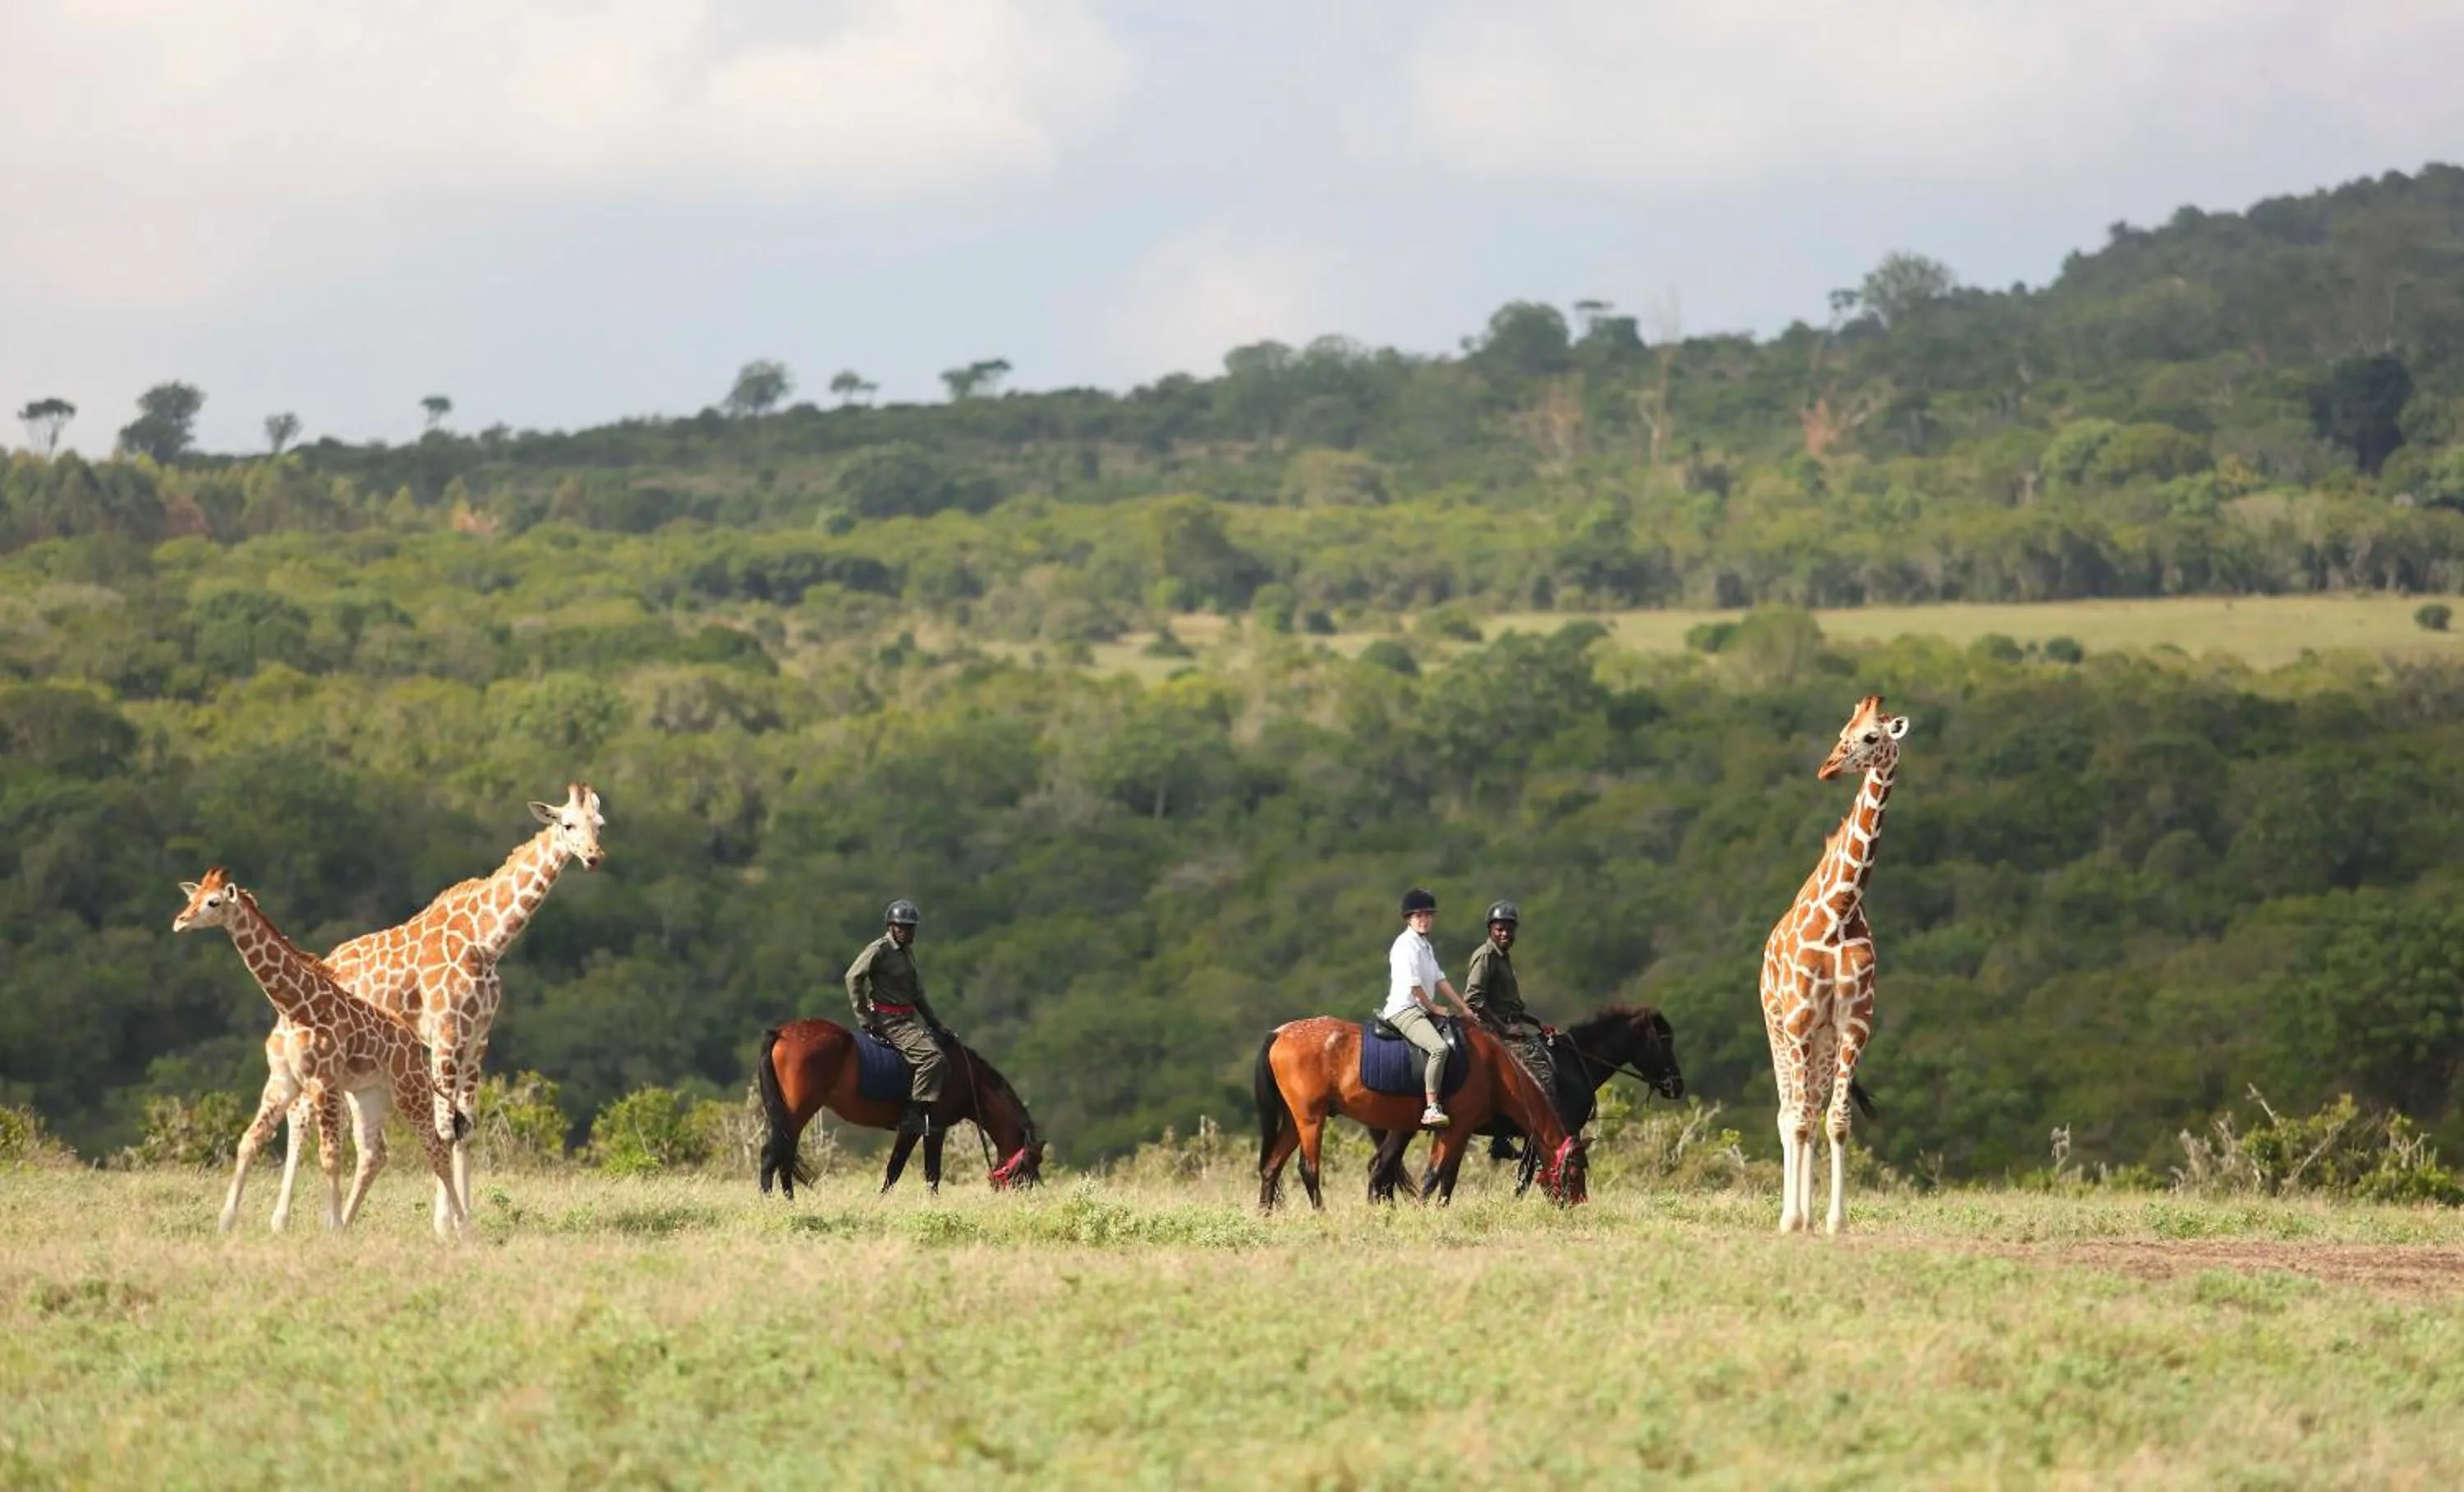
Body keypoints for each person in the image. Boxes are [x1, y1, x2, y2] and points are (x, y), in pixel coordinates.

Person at [1462, 900, 1557, 1161]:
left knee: (1549, 1058)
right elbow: (1474, 1000)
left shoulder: (1503, 958)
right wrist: (1504, 1028)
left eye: (1509, 929)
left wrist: (1537, 1023)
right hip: (1490, 1031)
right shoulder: (1486, 956)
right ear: (1491, 930)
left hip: (1508, 1025)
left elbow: (1509, 1005)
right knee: (1541, 1072)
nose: (1505, 934)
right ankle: (1532, 1134)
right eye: (1500, 929)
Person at [845, 899, 947, 1135]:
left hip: (907, 1019)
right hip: (890, 1022)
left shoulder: (907, 953)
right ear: (891, 927)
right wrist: (864, 1018)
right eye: (902, 927)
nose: (907, 931)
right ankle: (913, 1116)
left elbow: (917, 994)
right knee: (933, 1059)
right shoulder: (879, 950)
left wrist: (936, 1025)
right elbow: (853, 977)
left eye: (911, 927)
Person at [1381, 886, 1479, 1129]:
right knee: (1438, 1049)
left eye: (1427, 915)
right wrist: (1435, 1007)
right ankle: (1431, 1108)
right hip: (1405, 1010)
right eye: (1418, 916)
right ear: (1409, 918)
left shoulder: (1425, 946)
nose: (1424, 920)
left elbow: (1440, 980)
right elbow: (1414, 986)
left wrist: (1464, 1008)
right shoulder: (1405, 946)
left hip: (1421, 1009)